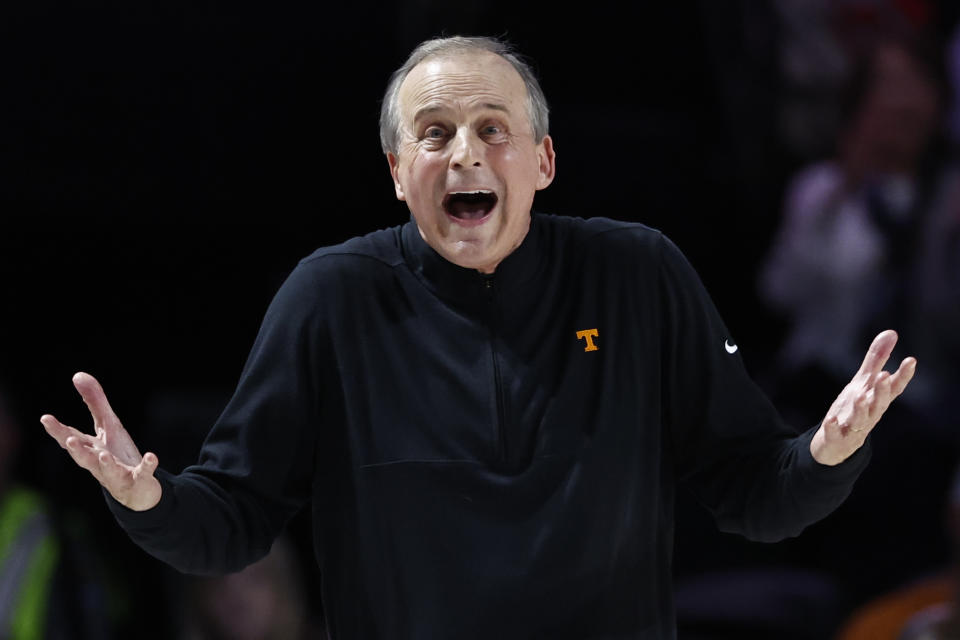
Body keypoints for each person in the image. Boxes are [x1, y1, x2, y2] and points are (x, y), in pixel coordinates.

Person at [39, 36, 916, 639]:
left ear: (542, 162)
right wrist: (146, 499)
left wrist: (826, 455)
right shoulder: (331, 298)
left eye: (493, 129)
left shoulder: (637, 274)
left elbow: (753, 491)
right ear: (395, 173)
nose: (465, 154)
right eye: (434, 134)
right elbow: (230, 522)